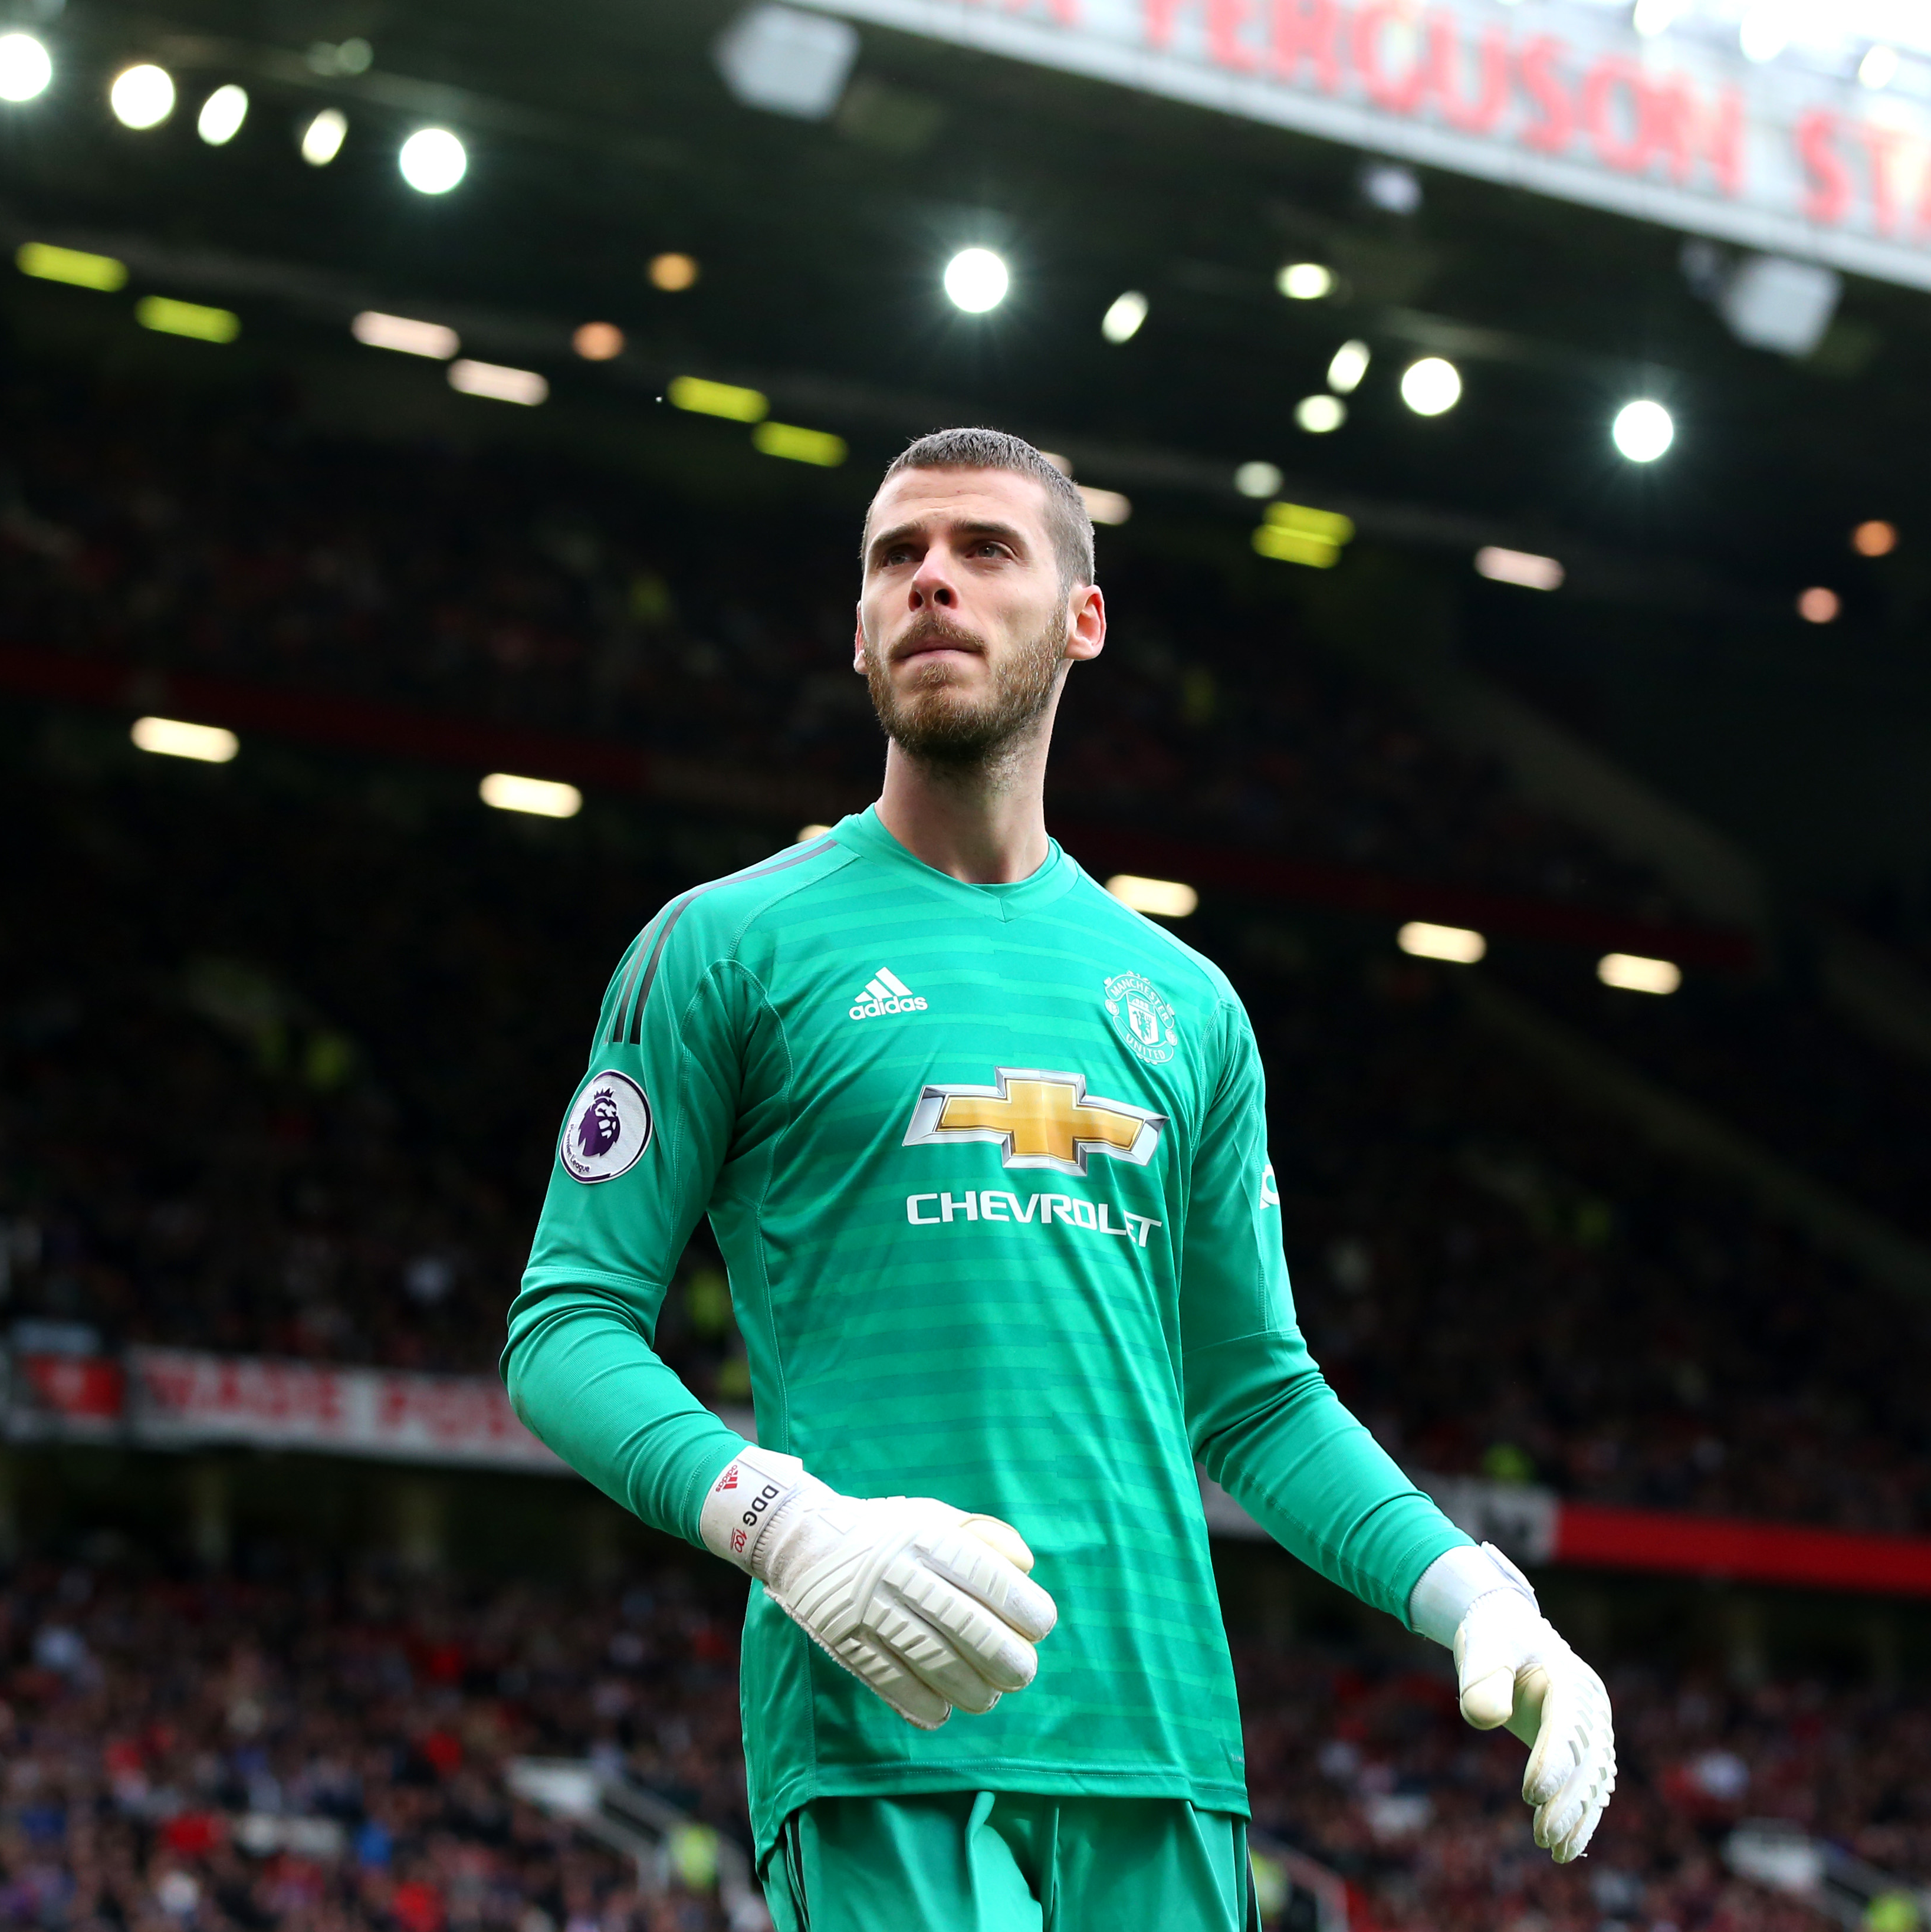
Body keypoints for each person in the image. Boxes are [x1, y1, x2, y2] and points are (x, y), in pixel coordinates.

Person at [504, 427, 1615, 1928]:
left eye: (984, 549)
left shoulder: (1189, 1006)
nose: (932, 582)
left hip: (1161, 1744)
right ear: (857, 631)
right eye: (896, 558)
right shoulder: (724, 949)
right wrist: (784, 1522)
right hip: (884, 1736)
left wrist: (1473, 1587)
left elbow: (1254, 1395)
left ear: (1084, 619)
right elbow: (565, 1327)